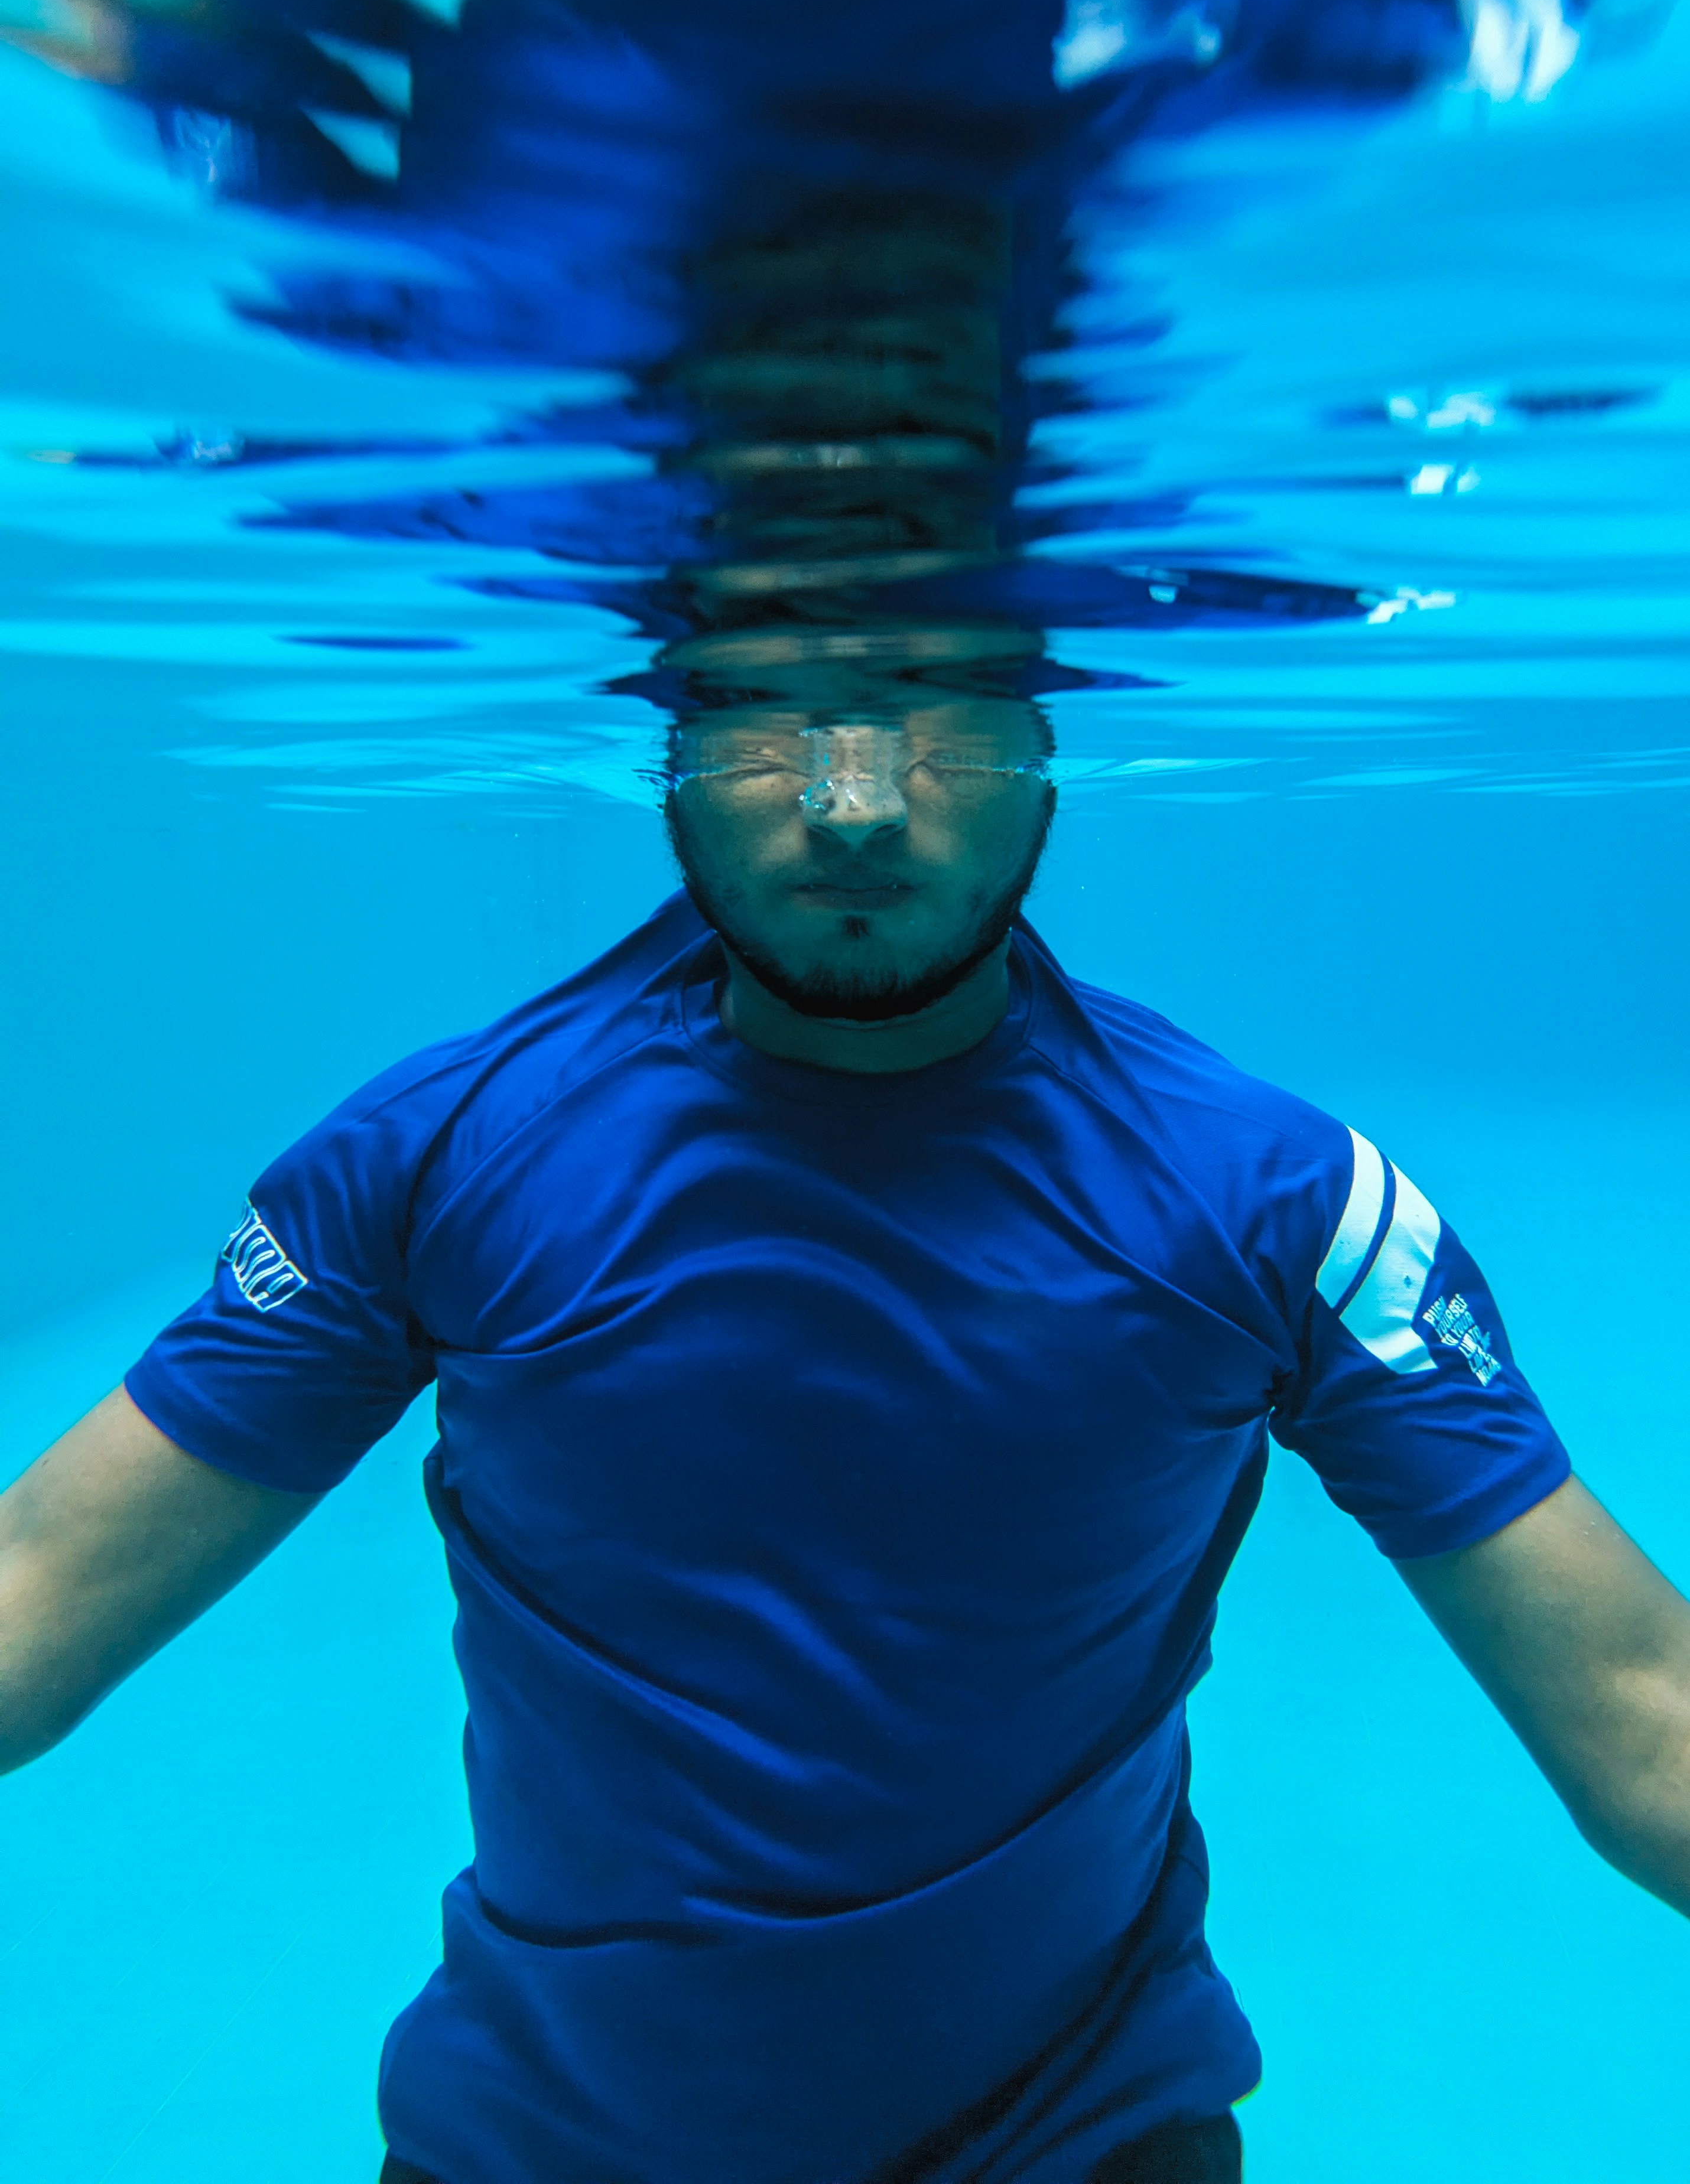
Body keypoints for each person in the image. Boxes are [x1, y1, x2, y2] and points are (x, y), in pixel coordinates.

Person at [3, 678, 1689, 2184]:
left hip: (1087, 2148)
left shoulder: (1277, 1203)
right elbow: (38, 1592)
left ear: (1050, 756)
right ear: (661, 751)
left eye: (942, 713)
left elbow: (1641, 1716)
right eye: (764, 712)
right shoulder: (434, 1159)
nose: (855, 797)